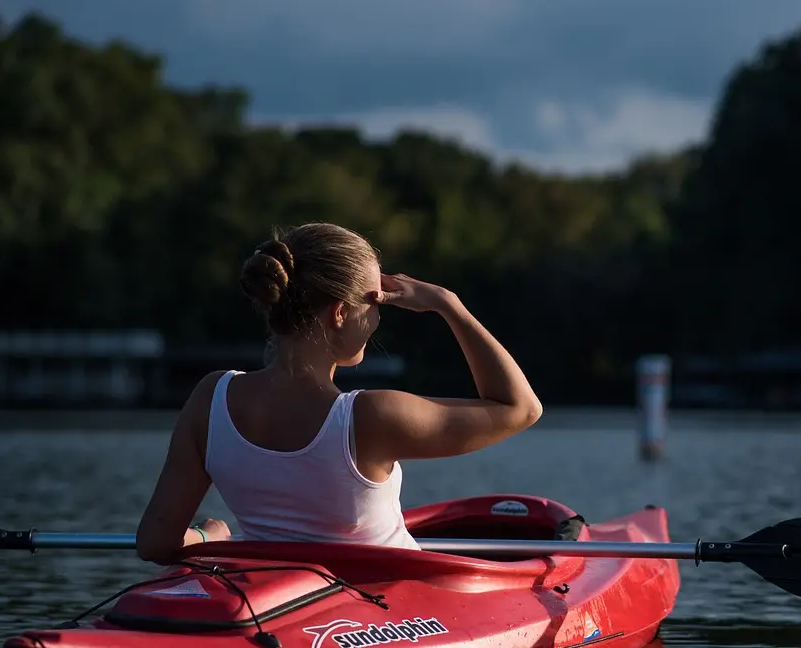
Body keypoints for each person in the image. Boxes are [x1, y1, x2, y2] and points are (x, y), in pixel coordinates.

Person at [135, 222, 543, 565]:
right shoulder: (372, 416)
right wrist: (449, 306)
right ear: (341, 313)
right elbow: (521, 408)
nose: (380, 315)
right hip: (385, 615)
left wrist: (211, 540)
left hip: (282, 607)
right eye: (376, 301)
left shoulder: (211, 398)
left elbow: (156, 542)